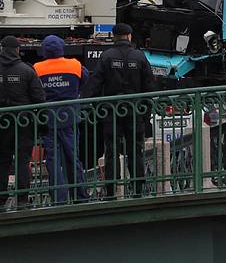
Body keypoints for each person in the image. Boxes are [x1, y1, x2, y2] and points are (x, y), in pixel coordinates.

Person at [85, 22, 157, 198]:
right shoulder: (139, 57)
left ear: (114, 37)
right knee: (135, 149)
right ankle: (138, 189)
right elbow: (150, 86)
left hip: (111, 110)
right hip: (134, 110)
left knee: (111, 150)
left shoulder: (107, 56)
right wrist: (146, 112)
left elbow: (95, 84)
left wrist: (90, 107)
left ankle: (111, 190)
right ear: (129, 36)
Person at [0, 35, 46, 210]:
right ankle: (22, 199)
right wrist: (41, 127)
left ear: (1, 49)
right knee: (22, 161)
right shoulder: (27, 71)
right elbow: (39, 100)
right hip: (23, 123)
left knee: (1, 162)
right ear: (17, 50)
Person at [34, 35, 89, 203]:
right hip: (70, 117)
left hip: (48, 119)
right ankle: (80, 195)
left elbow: (34, 91)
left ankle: (58, 197)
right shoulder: (74, 65)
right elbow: (85, 80)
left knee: (53, 158)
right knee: (73, 156)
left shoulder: (37, 68)